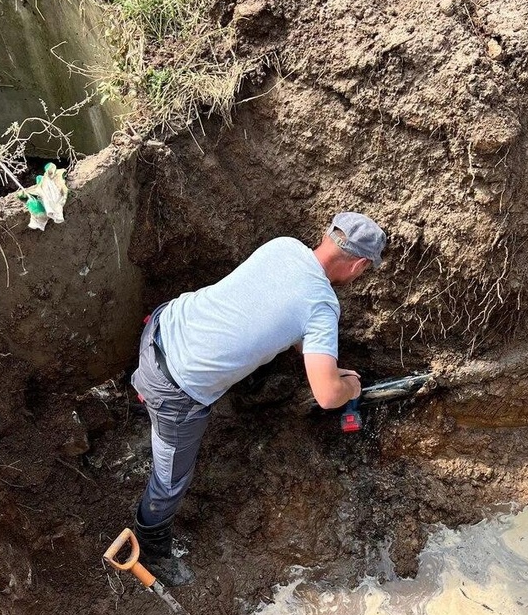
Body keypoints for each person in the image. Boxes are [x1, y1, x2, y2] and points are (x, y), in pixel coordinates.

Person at [130, 211, 386, 587]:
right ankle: (150, 544)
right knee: (169, 482)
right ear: (359, 265)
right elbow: (329, 396)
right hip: (175, 391)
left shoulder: (284, 247)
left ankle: (144, 395)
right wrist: (350, 386)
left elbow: (272, 308)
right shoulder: (322, 307)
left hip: (162, 324)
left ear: (327, 236)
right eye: (365, 270)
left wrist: (319, 357)